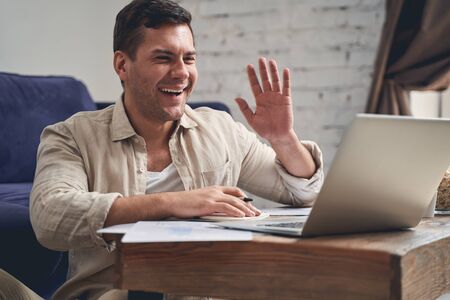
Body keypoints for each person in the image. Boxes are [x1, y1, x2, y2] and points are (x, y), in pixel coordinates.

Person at [30, 0, 324, 299]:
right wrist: (174, 203)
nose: (181, 73)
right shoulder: (71, 136)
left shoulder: (221, 129)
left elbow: (302, 193)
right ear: (122, 65)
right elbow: (50, 216)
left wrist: (283, 138)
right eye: (163, 58)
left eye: (189, 58)